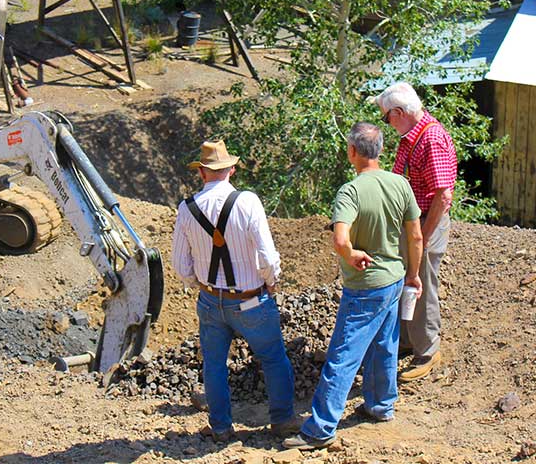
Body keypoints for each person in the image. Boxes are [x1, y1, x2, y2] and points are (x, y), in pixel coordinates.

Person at [284, 122, 423, 451]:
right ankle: (380, 405)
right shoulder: (400, 184)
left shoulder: (350, 191)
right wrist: (413, 275)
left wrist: (351, 253)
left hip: (365, 285)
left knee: (343, 356)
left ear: (352, 152)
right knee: (384, 346)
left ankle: (320, 428)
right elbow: (415, 236)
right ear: (381, 151)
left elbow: (340, 239)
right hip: (393, 278)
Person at [171, 139, 298, 441]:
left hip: (210, 301)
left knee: (214, 365)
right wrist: (271, 280)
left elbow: (179, 264)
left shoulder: (186, 209)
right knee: (273, 358)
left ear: (201, 173)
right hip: (250, 299)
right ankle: (281, 421)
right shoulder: (248, 201)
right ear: (232, 170)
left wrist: (197, 284)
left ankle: (221, 427)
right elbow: (268, 257)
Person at [376, 81, 457, 382]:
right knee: (408, 280)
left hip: (425, 222)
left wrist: (422, 233)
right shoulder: (414, 136)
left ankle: (427, 351)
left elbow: (443, 195)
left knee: (421, 283)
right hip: (415, 222)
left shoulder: (430, 139)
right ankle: (409, 340)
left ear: (398, 112)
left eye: (387, 117)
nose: (387, 123)